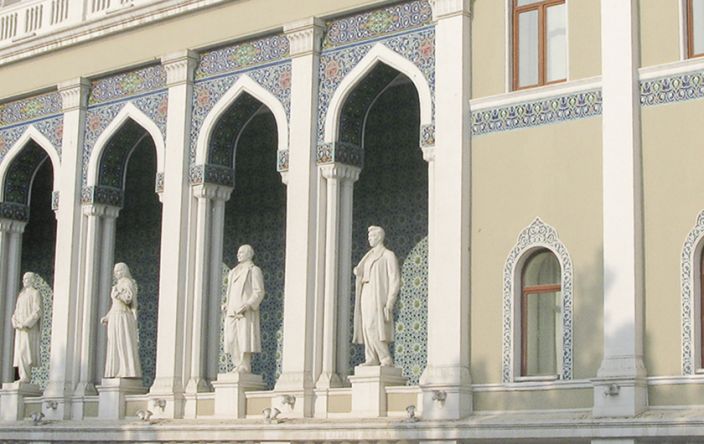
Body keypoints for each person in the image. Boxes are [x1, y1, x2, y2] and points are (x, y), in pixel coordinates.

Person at [353, 226, 400, 367]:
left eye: (372, 236)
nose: (370, 239)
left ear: (379, 237)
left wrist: (390, 301)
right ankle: (371, 357)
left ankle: (385, 357)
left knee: (374, 325)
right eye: (369, 237)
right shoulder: (368, 256)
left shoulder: (387, 255)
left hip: (378, 295)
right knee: (366, 326)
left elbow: (395, 279)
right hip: (366, 292)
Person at [222, 244, 265, 373]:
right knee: (231, 338)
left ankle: (245, 365)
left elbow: (259, 291)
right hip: (231, 311)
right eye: (238, 252)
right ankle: (237, 364)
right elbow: (230, 292)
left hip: (245, 312)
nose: (238, 255)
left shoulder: (254, 270)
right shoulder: (233, 272)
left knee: (244, 338)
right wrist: (227, 304)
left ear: (249, 254)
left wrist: (248, 304)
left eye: (241, 252)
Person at [101, 262, 142, 378]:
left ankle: (127, 370)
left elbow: (129, 299)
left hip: (123, 316)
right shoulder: (116, 285)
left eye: (119, 271)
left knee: (123, 342)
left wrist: (118, 294)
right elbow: (114, 306)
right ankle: (117, 370)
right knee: (115, 343)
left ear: (124, 271)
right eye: (115, 272)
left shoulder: (127, 282)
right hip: (115, 316)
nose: (117, 273)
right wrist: (107, 317)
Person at [11, 272, 42, 383]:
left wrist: (27, 323)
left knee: (25, 351)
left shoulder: (35, 293)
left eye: (26, 279)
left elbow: (37, 311)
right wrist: (14, 321)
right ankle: (22, 376)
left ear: (32, 280)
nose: (24, 281)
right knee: (19, 352)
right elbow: (16, 312)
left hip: (28, 329)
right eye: (23, 279)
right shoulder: (21, 295)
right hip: (20, 329)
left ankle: (26, 377)